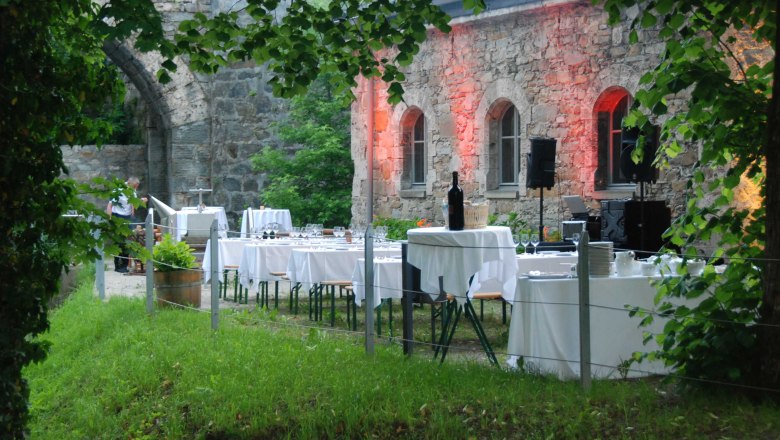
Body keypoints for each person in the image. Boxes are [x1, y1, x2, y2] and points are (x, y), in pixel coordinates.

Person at [106, 176, 147, 273]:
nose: (135, 188)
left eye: (136, 187)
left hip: (128, 217)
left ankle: (125, 265)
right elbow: (110, 205)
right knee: (119, 242)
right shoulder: (118, 190)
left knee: (128, 241)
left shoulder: (132, 190)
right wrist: (110, 220)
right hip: (118, 217)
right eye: (135, 186)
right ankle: (118, 266)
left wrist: (140, 202)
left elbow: (133, 205)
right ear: (129, 183)